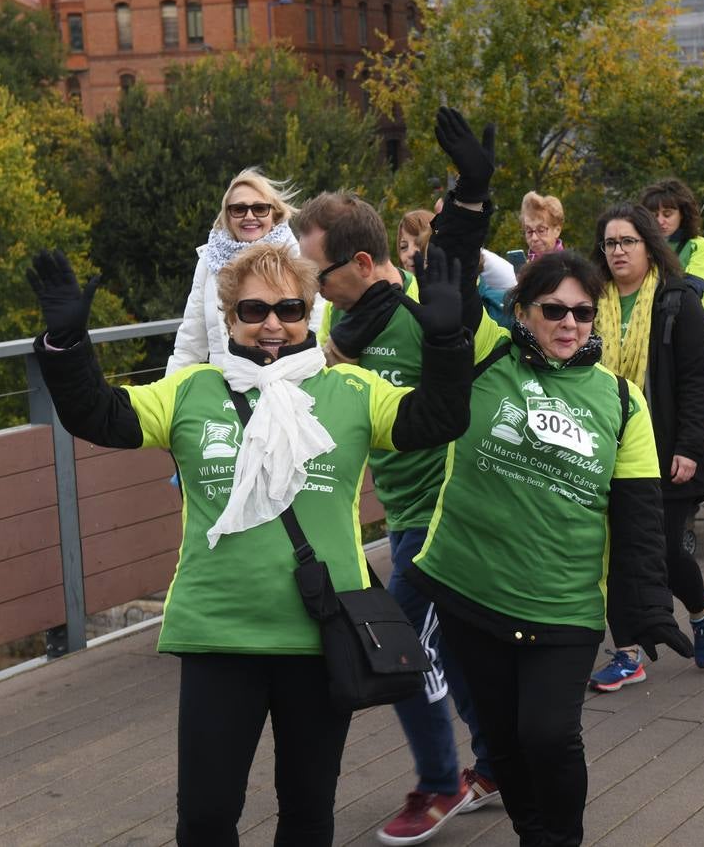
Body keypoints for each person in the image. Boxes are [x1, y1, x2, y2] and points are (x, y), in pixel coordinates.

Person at [25, 233, 474, 847]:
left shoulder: (351, 391)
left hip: (322, 638)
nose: (272, 325)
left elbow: (439, 419)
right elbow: (98, 415)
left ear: (309, 314)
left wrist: (448, 342)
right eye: (254, 310)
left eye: (289, 310)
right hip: (219, 635)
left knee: (308, 817)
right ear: (228, 316)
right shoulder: (192, 390)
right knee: (206, 821)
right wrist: (66, 346)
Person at [408, 251, 693, 847]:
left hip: (563, 605)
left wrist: (645, 609)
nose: (570, 323)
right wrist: (469, 200)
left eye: (584, 312)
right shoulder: (486, 354)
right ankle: (532, 833)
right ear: (521, 311)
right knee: (503, 738)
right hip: (472, 592)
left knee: (548, 736)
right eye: (554, 309)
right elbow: (454, 288)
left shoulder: (621, 401)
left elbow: (639, 518)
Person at [299, 111, 506, 845]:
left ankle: (438, 783)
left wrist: (472, 192)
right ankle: (497, 763)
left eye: (312, 272)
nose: (307, 286)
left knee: (393, 641)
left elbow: (457, 255)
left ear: (357, 264)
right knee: (443, 644)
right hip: (408, 509)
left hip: (453, 507)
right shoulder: (341, 326)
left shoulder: (427, 309)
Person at [585, 203, 704, 692]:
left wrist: (689, 445)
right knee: (613, 549)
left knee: (660, 551)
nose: (617, 251)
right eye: (609, 243)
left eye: (627, 242)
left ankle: (701, 609)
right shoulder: (587, 301)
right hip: (603, 446)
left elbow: (692, 380)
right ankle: (627, 652)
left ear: (649, 244)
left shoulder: (677, 299)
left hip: (664, 450)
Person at [167, 168, 320, 375]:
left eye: (259, 208)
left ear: (273, 213)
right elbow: (190, 344)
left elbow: (318, 332)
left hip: (289, 384)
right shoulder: (209, 262)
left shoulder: (297, 259)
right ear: (227, 216)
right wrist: (171, 397)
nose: (249, 216)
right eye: (239, 209)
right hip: (227, 395)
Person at [521, 191, 566, 262]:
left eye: (541, 230)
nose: (534, 238)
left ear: (557, 231)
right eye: (529, 231)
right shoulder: (525, 265)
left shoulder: (568, 267)